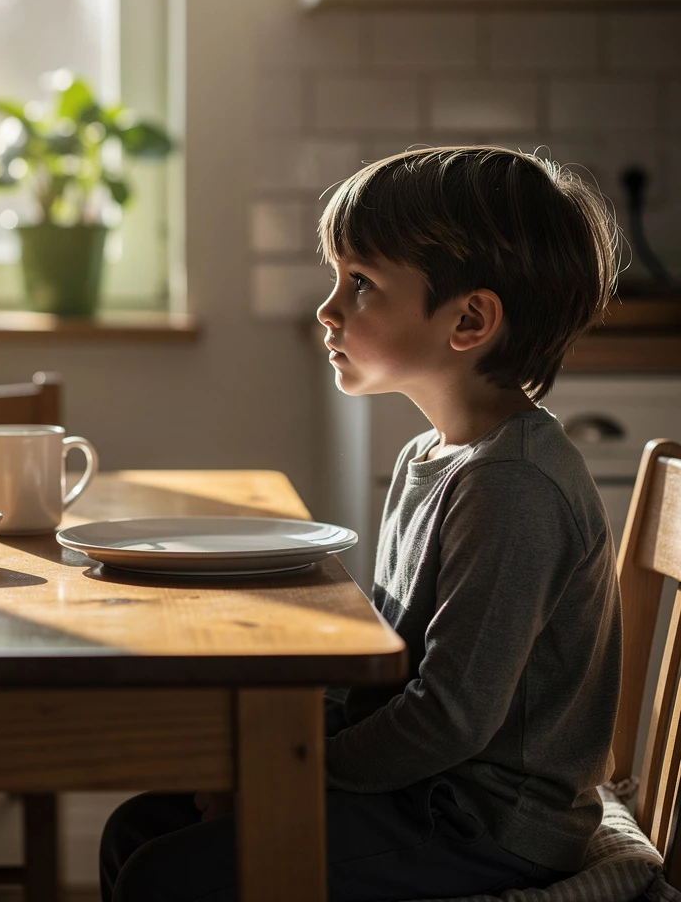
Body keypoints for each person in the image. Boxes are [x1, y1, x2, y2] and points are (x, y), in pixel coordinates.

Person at [99, 146, 623, 902]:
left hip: (486, 825)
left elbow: (448, 719)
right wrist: (274, 758)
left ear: (469, 319)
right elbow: (388, 663)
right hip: (427, 794)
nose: (327, 308)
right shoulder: (432, 457)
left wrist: (292, 773)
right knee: (139, 829)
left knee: (169, 872)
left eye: (363, 284)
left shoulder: (510, 486)